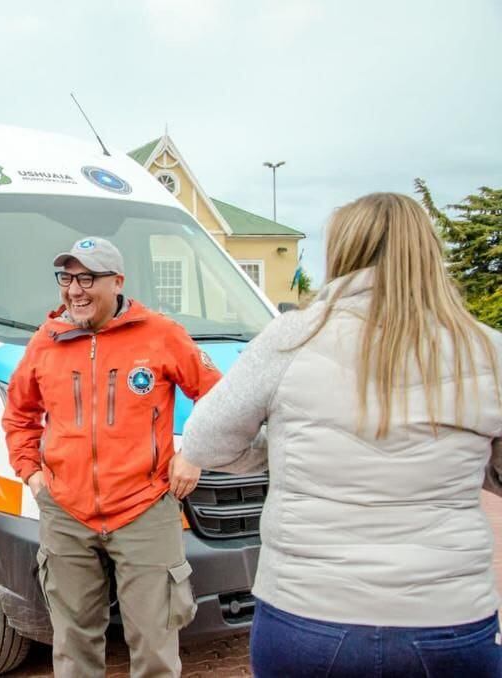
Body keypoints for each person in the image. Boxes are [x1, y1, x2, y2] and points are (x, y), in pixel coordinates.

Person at [181, 193, 502, 677]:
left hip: (309, 613)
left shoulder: (291, 337)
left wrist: (275, 451)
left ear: (345, 252)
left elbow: (205, 443)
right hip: (448, 617)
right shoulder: (486, 349)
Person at [2, 236, 221, 678]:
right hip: (66, 513)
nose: (75, 290)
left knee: (155, 647)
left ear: (117, 282)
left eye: (88, 278)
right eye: (67, 278)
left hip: (144, 509)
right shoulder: (46, 342)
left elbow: (219, 397)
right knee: (73, 646)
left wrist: (194, 453)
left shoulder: (161, 334)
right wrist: (31, 475)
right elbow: (19, 415)